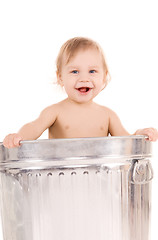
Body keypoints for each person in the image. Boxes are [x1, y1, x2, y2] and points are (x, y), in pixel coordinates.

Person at [3, 37, 158, 148]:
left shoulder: (107, 115)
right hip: (61, 178)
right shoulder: (55, 112)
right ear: (60, 77)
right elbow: (34, 127)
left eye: (92, 71)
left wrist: (140, 133)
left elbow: (127, 141)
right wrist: (18, 137)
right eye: (75, 71)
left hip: (98, 181)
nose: (84, 78)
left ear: (104, 77)